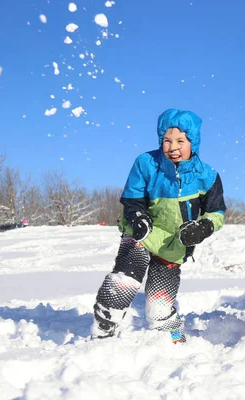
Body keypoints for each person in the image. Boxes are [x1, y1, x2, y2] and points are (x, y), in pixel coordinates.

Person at [91, 109, 226, 343]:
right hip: (142, 234)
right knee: (126, 280)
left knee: (159, 306)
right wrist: (138, 217)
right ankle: (102, 331)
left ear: (193, 142)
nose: (173, 147)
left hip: (174, 244)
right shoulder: (146, 164)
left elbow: (217, 212)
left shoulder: (208, 176)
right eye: (166, 140)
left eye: (180, 141)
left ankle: (175, 340)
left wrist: (202, 228)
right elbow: (132, 199)